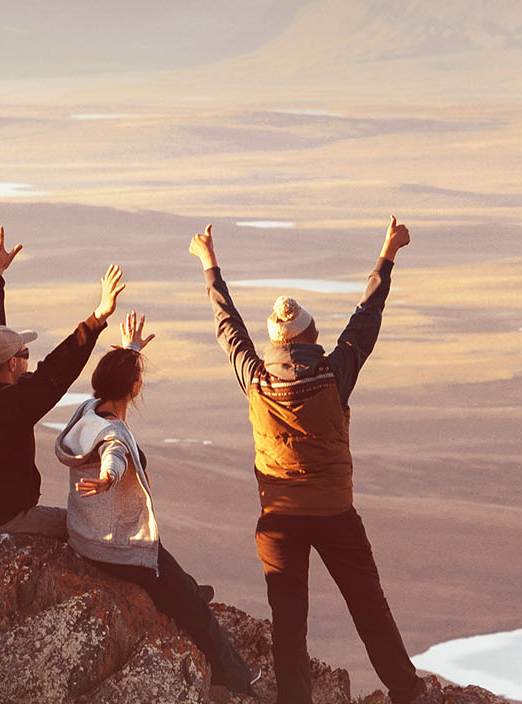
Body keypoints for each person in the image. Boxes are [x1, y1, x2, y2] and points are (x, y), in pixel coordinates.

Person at [191, 220, 422, 704]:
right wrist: (387, 254)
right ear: (312, 334)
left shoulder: (255, 379)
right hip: (336, 515)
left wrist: (209, 264)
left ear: (275, 342)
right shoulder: (334, 375)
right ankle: (407, 691)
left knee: (289, 623)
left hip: (278, 523)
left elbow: (227, 328)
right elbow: (366, 319)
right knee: (368, 608)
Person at [55, 315, 253, 692]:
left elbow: (113, 392)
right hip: (118, 547)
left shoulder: (88, 411)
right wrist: (107, 478)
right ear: (135, 387)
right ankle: (238, 681)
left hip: (86, 534)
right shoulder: (113, 432)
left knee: (180, 579)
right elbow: (115, 456)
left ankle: (188, 589)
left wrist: (130, 349)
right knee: (195, 610)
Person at [0, 227, 121, 537]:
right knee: (91, 527)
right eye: (24, 352)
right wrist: (98, 318)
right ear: (13, 363)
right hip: (0, 520)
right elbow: (55, 372)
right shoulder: (12, 406)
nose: (29, 359)